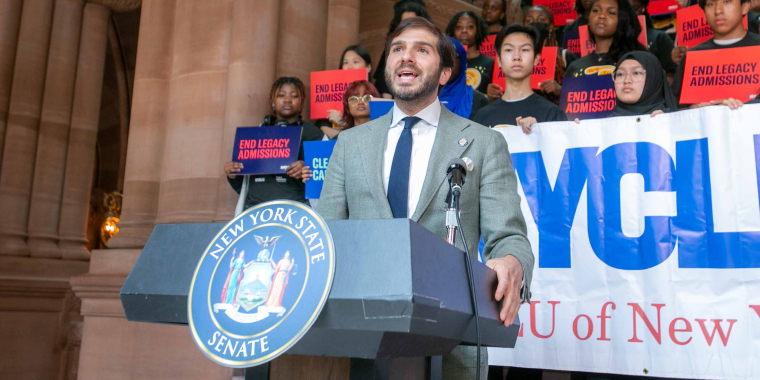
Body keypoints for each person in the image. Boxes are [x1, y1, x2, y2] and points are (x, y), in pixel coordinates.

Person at [317, 17, 533, 380]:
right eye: (398, 49)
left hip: (450, 344)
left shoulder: (483, 142)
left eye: (422, 50)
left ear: (445, 73)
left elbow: (509, 236)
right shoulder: (350, 144)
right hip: (358, 341)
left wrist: (512, 261)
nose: (407, 57)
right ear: (387, 68)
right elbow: (328, 234)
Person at [223, 77, 325, 212]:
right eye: (281, 95)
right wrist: (233, 175)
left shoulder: (315, 135)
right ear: (272, 101)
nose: (287, 100)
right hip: (255, 211)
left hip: (297, 212)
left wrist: (308, 168)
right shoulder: (255, 135)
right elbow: (244, 186)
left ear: (301, 103)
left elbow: (327, 178)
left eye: (294, 96)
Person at [475, 24, 568, 135]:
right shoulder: (482, 116)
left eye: (524, 49)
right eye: (509, 50)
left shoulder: (553, 113)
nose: (517, 56)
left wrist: (539, 133)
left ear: (536, 59)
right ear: (499, 60)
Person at [671, 0, 760, 108]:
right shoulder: (692, 57)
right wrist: (691, 110)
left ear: (745, 6)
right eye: (711, 4)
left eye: (727, 2)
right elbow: (673, 109)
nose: (718, 10)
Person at [302, 81, 380, 181]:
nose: (361, 101)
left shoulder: (387, 136)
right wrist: (309, 175)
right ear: (347, 105)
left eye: (367, 98)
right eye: (354, 98)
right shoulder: (338, 141)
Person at [565, 0, 646, 78]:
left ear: (623, 20)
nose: (602, 16)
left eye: (611, 13)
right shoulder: (574, 68)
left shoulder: (636, 62)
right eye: (596, 11)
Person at [372, 0, 431, 98]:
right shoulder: (392, 49)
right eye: (404, 23)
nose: (408, 27)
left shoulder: (430, 47)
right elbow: (385, 85)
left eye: (412, 22)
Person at [524, 6, 580, 103]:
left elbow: (581, 92)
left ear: (550, 27)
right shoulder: (517, 58)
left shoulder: (564, 56)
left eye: (541, 19)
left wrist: (560, 90)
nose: (534, 23)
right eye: (529, 20)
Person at [318, 45, 374, 132]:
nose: (350, 67)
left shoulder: (376, 96)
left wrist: (345, 123)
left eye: (355, 62)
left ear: (368, 67)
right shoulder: (331, 97)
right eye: (345, 63)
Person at [610, 51, 678, 116]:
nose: (627, 80)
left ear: (653, 79)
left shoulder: (676, 122)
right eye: (620, 74)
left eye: (636, 73)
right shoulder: (604, 125)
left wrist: (666, 124)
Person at [446, 11, 496, 96]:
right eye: (459, 27)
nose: (464, 31)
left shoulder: (490, 63)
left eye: (470, 27)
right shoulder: (447, 60)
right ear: (453, 31)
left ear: (478, 30)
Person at [629, 0, 678, 83]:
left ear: (642, 8)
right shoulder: (611, 40)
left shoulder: (659, 37)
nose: (629, 15)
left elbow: (672, 75)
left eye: (634, 9)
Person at [441, 37, 490, 120]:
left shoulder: (478, 100)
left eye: (453, 56)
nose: (447, 62)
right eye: (442, 56)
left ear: (462, 62)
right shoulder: (420, 98)